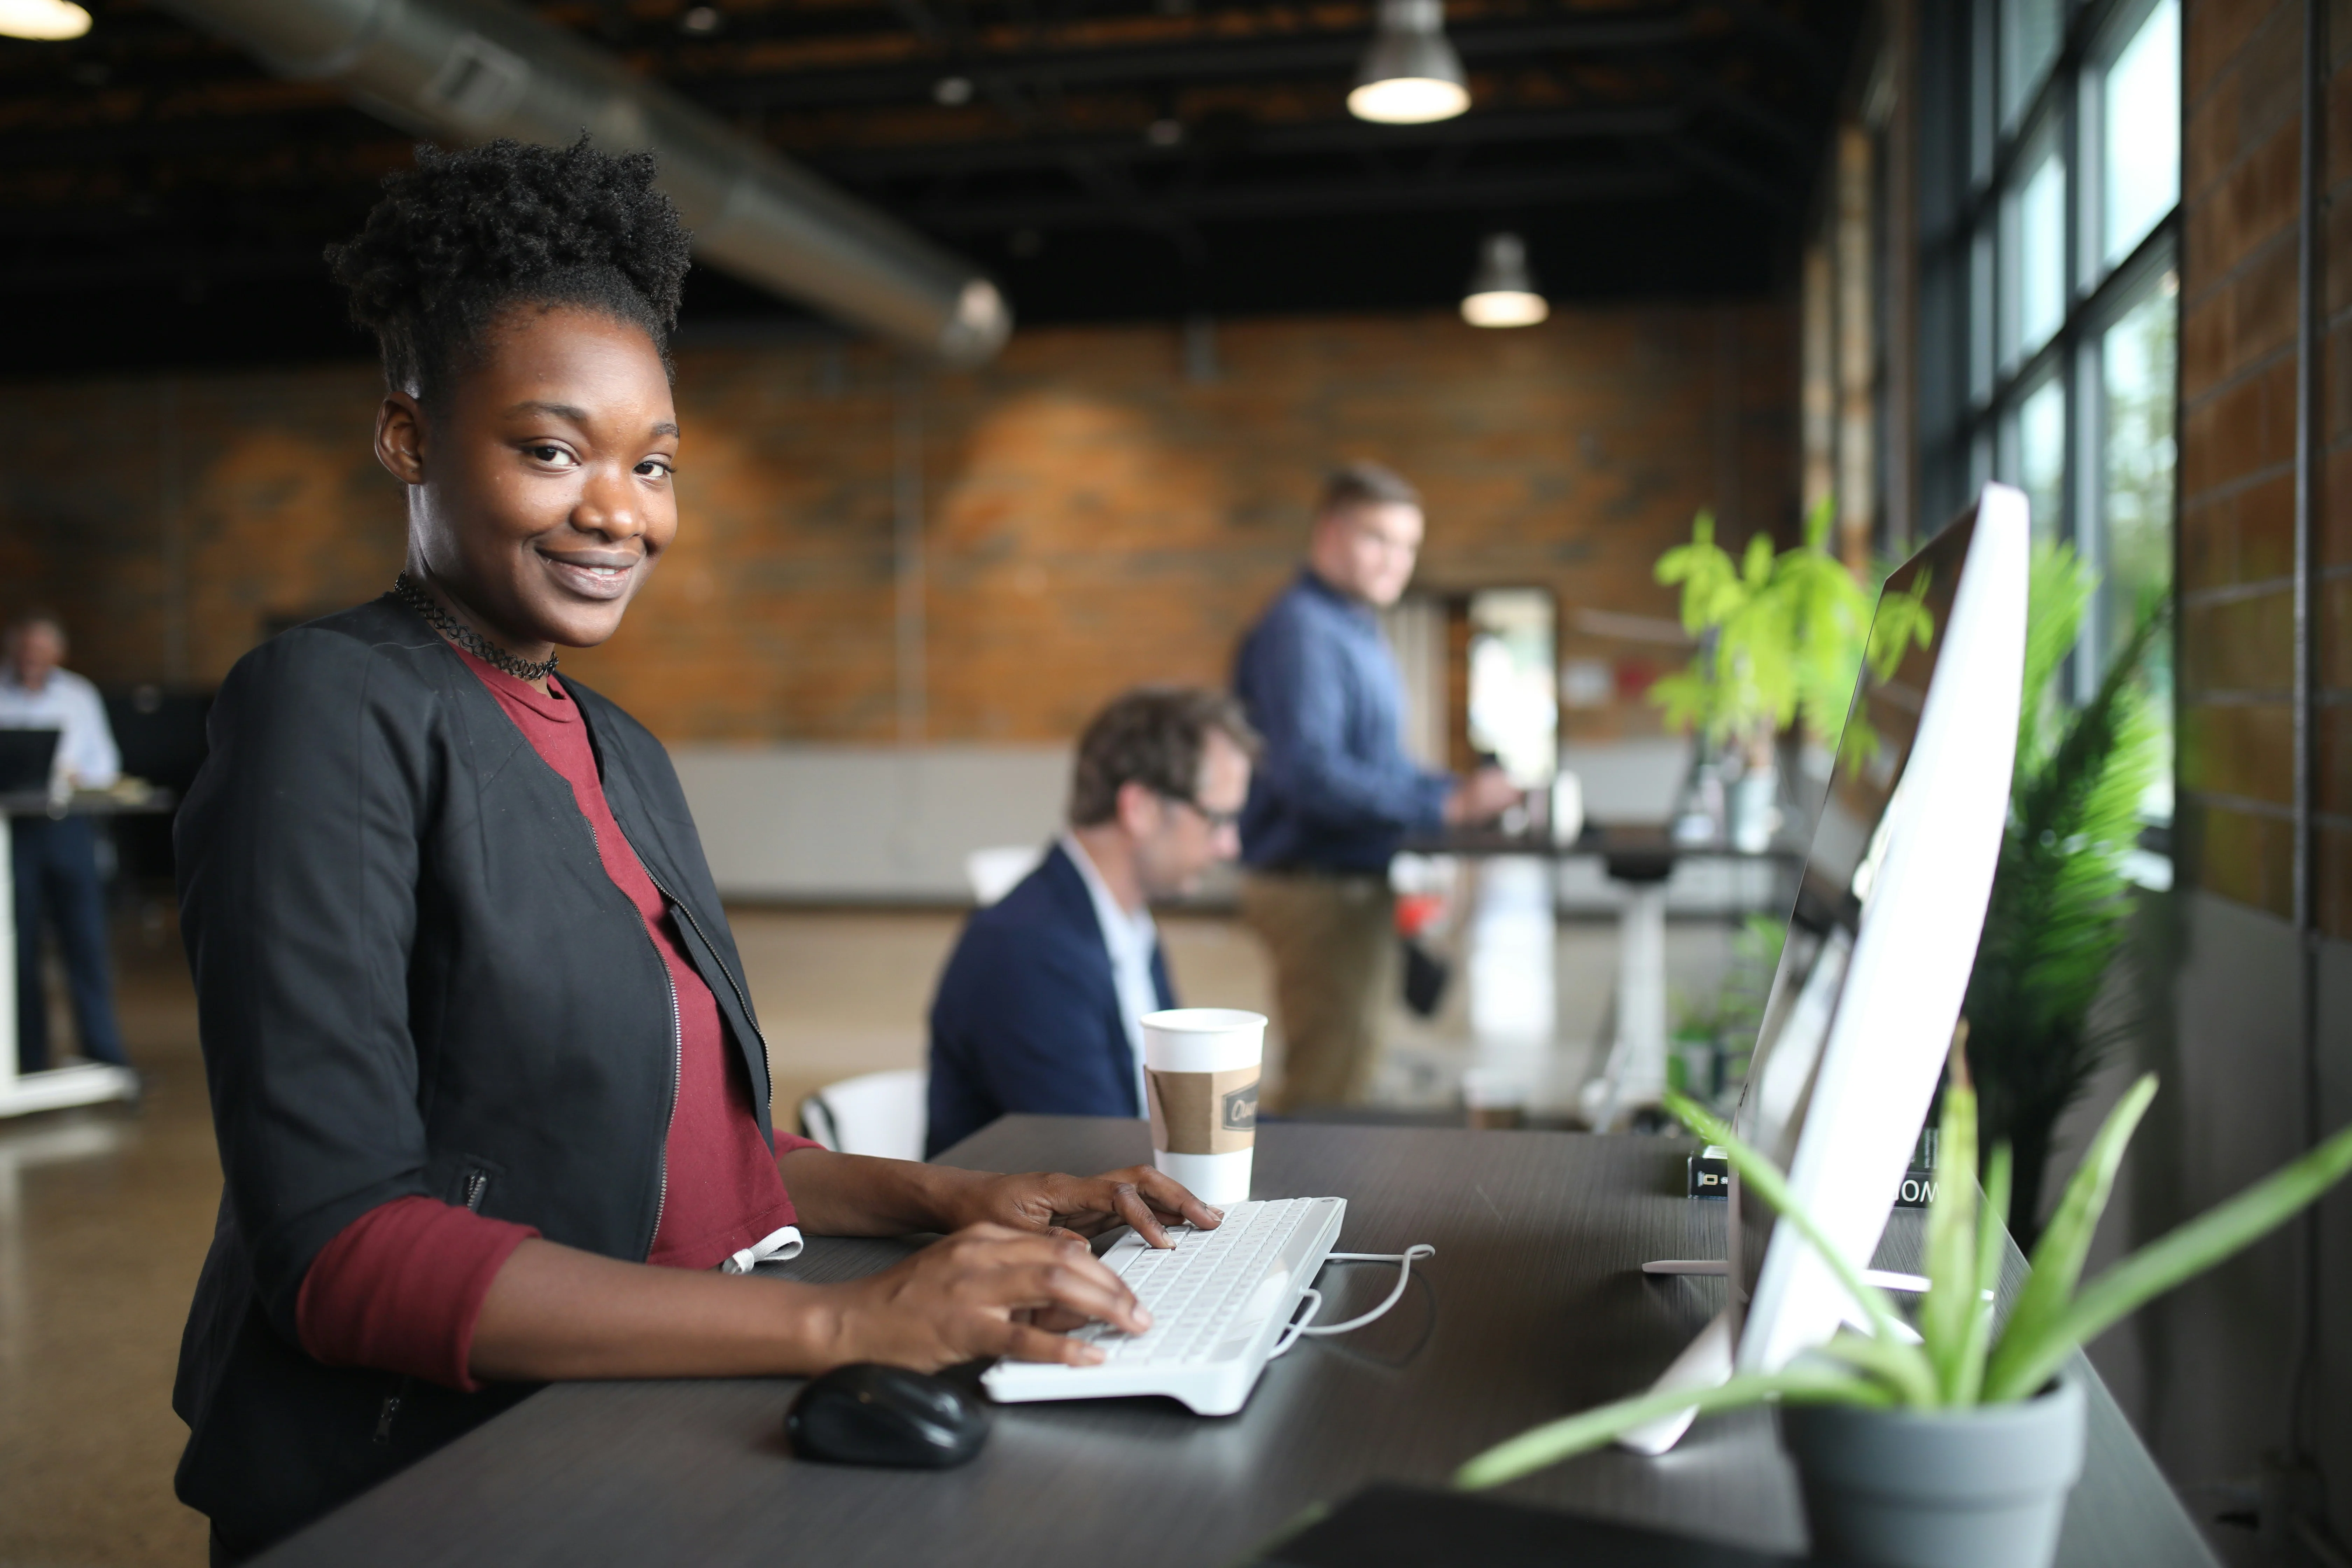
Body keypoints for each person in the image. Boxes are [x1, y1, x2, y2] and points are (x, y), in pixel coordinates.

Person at [172, 139, 1217, 1562]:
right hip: (424, 1476)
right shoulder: (326, 705)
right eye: (552, 449)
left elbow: (683, 1156)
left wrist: (952, 1199)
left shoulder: (622, 751)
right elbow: (343, 1251)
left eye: (652, 463)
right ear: (408, 436)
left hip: (630, 1418)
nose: (619, 509)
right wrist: (847, 1319)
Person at [1232, 463, 1520, 1112]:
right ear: (1331, 532)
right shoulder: (1303, 630)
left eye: (1409, 546)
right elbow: (1310, 774)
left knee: (1350, 1069)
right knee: (1324, 1088)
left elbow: (1379, 764)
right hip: (1315, 888)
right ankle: (1291, 1213)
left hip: (1349, 885)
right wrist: (1441, 804)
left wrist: (1456, 791)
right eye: (1379, 540)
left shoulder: (1353, 626)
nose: (1398, 561)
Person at [927, 688, 1258, 1157]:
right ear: (1140, 808)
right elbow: (1093, 1163)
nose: (1231, 847)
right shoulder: (1028, 949)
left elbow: (1171, 1113)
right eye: (1218, 818)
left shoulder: (1126, 925)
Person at [1, 610, 131, 1075]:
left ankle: (105, 1055)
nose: (32, 659)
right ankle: (27, 1061)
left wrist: (79, 776)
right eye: (24, 650)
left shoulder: (78, 696)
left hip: (68, 826)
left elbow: (106, 765)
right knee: (18, 949)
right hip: (11, 834)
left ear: (58, 653)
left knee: (86, 942)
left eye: (41, 651)